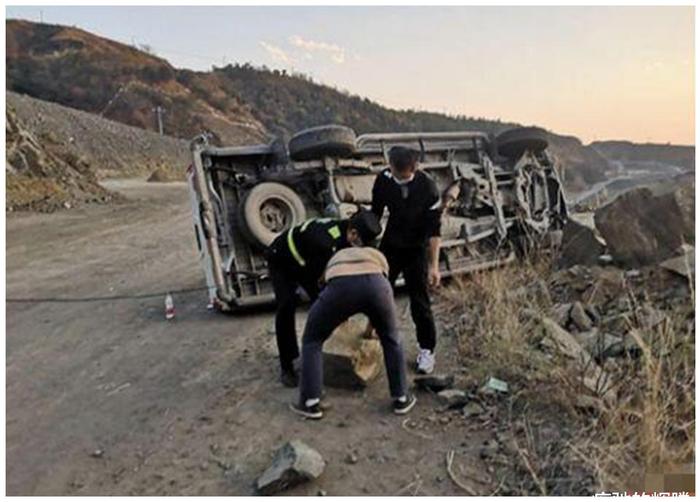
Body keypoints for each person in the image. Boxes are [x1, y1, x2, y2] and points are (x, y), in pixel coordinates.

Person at [291, 216, 416, 419]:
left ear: (352, 235)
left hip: (340, 286)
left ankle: (310, 402)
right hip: (378, 285)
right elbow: (380, 286)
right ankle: (401, 398)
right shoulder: (377, 255)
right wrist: (371, 329)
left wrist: (334, 316)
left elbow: (323, 283)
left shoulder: (339, 253)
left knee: (312, 340)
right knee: (391, 338)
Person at [266, 209, 383, 387]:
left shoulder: (350, 236)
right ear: (352, 233)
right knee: (287, 305)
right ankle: (287, 366)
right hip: (283, 259)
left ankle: (325, 351)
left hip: (309, 258)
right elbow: (323, 281)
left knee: (332, 304)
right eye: (361, 243)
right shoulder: (325, 242)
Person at [371, 146, 442, 374]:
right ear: (390, 165)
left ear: (414, 168)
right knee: (378, 293)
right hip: (390, 246)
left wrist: (433, 266)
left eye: (404, 176)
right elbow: (375, 215)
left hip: (416, 249)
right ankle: (373, 335)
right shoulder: (383, 179)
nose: (398, 178)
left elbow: (434, 232)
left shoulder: (429, 188)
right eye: (395, 172)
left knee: (419, 301)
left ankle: (427, 350)